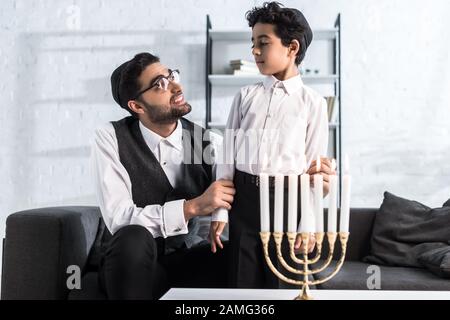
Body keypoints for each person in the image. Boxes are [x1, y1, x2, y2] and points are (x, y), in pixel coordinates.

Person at [209, 2, 336, 288]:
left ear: (292, 48)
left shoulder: (313, 104)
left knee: (284, 286)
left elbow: (314, 171)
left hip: (290, 203)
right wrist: (221, 211)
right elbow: (227, 156)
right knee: (242, 285)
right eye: (253, 43)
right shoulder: (245, 96)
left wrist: (309, 224)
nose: (254, 51)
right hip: (244, 202)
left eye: (263, 43)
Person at [91, 52, 235, 299]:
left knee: (241, 253)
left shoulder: (208, 142)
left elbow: (252, 189)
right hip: (136, 265)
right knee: (132, 236)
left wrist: (302, 176)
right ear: (136, 106)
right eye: (161, 84)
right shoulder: (112, 138)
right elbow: (120, 219)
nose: (177, 87)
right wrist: (192, 207)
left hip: (193, 261)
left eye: (172, 76)